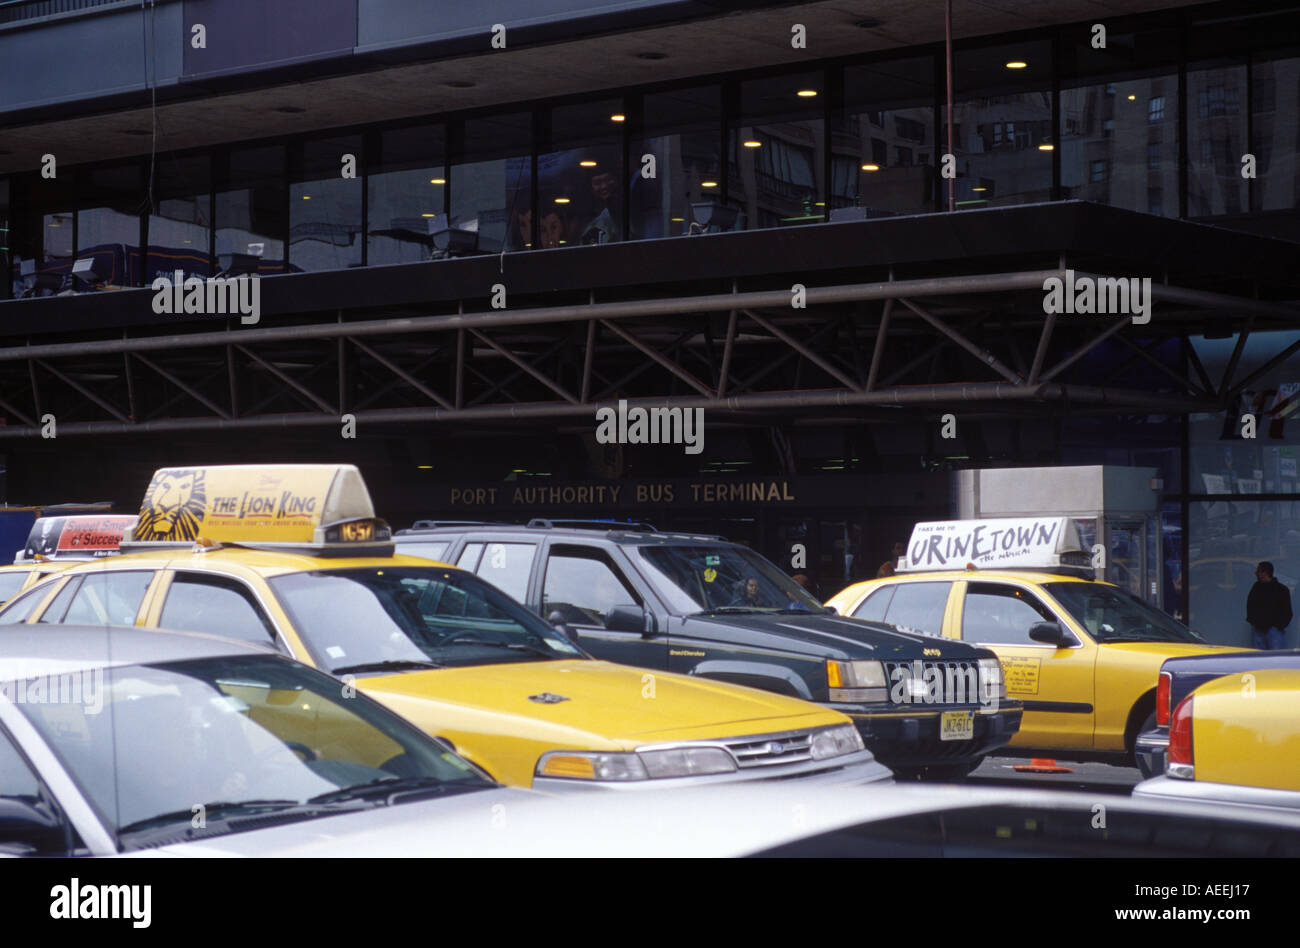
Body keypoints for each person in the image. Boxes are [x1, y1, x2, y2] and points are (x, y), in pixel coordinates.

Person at [1246, 561, 1292, 650]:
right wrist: (1254, 622)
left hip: (1274, 631)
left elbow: (1287, 611)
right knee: (1259, 658)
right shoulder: (1256, 588)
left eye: (1258, 571)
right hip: (1259, 629)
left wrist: (1279, 626)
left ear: (1265, 573)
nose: (1255, 573)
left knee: (1276, 659)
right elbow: (1250, 606)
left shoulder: (1281, 590)